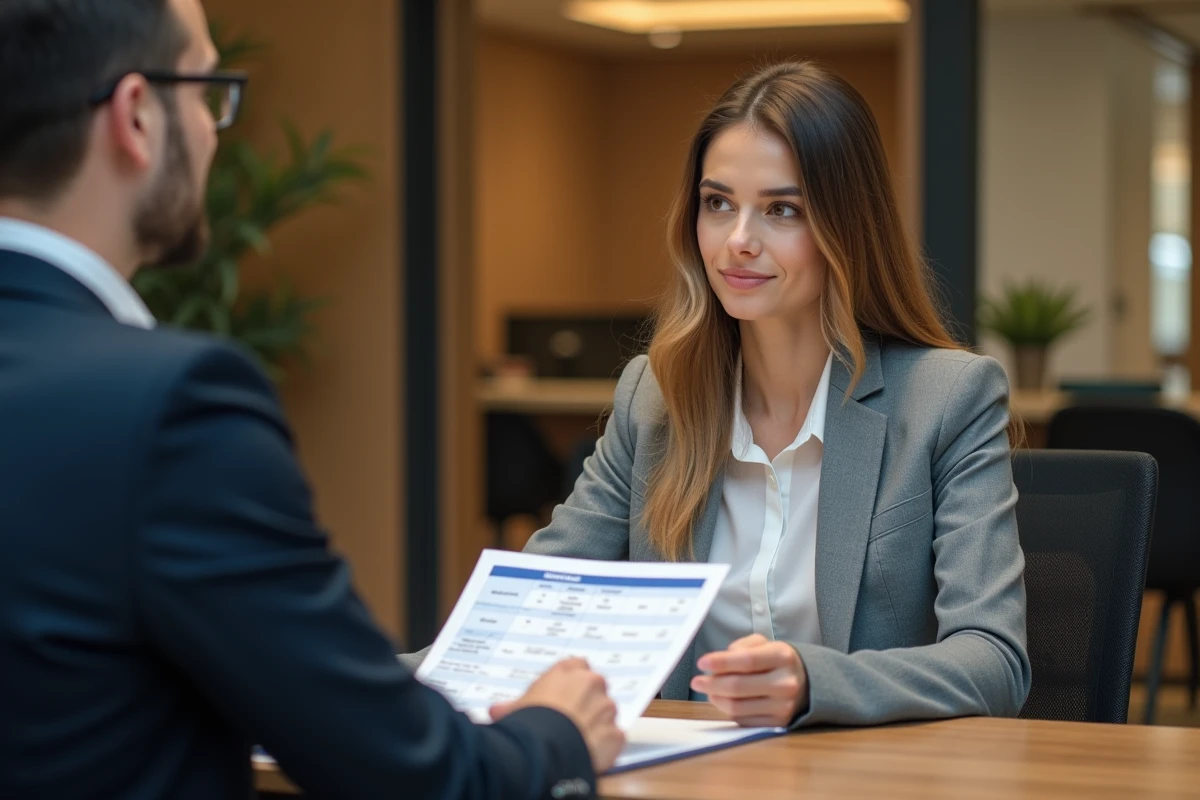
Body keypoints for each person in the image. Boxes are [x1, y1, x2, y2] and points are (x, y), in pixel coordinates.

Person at [0, 1, 622, 798]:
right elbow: (408, 772)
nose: (214, 131)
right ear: (137, 116)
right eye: (206, 92)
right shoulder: (172, 407)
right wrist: (555, 731)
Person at [411, 61, 1032, 729]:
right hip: (684, 767)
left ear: (847, 226)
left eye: (782, 210)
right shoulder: (655, 399)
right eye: (719, 204)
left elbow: (993, 660)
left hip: (863, 769)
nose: (739, 241)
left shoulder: (946, 399)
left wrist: (811, 682)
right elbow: (526, 620)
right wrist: (355, 684)